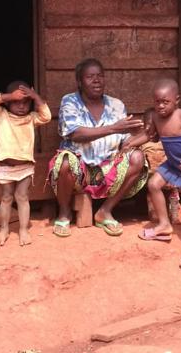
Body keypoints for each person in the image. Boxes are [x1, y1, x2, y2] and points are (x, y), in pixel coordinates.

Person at [48, 58, 146, 238]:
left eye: (100, 75)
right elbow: (75, 134)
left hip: (108, 169)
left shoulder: (116, 105)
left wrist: (142, 134)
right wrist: (114, 128)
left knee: (138, 158)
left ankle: (105, 211)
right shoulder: (70, 101)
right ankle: (64, 212)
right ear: (79, 82)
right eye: (90, 77)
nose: (96, 80)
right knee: (65, 162)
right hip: (79, 171)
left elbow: (125, 141)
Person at [137, 78, 181, 271]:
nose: (161, 106)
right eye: (157, 102)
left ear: (176, 100)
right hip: (172, 164)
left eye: (165, 102)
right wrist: (130, 143)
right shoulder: (156, 117)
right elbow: (150, 136)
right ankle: (164, 225)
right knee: (153, 185)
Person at [0, 81, 52, 246]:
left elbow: (47, 116)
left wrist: (35, 96)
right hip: (6, 167)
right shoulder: (0, 115)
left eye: (26, 102)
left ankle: (23, 230)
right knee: (6, 197)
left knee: (22, 197)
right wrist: (10, 96)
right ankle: (4, 229)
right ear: (8, 103)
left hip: (25, 167)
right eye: (16, 102)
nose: (22, 106)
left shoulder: (31, 118)